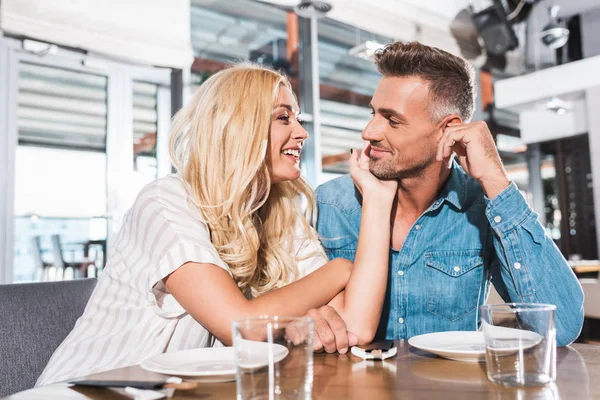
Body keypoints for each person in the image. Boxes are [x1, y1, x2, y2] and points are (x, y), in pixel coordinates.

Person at [36, 64, 397, 386]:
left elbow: (358, 326)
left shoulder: (279, 213)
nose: (302, 133)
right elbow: (239, 326)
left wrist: (378, 200)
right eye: (284, 118)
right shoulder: (165, 202)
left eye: (298, 118)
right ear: (239, 127)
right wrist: (340, 269)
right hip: (86, 390)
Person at [315, 41, 584, 347]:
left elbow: (560, 328)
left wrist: (496, 179)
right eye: (374, 113)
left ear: (447, 130)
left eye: (392, 120)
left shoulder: (482, 208)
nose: (369, 131)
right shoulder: (328, 205)